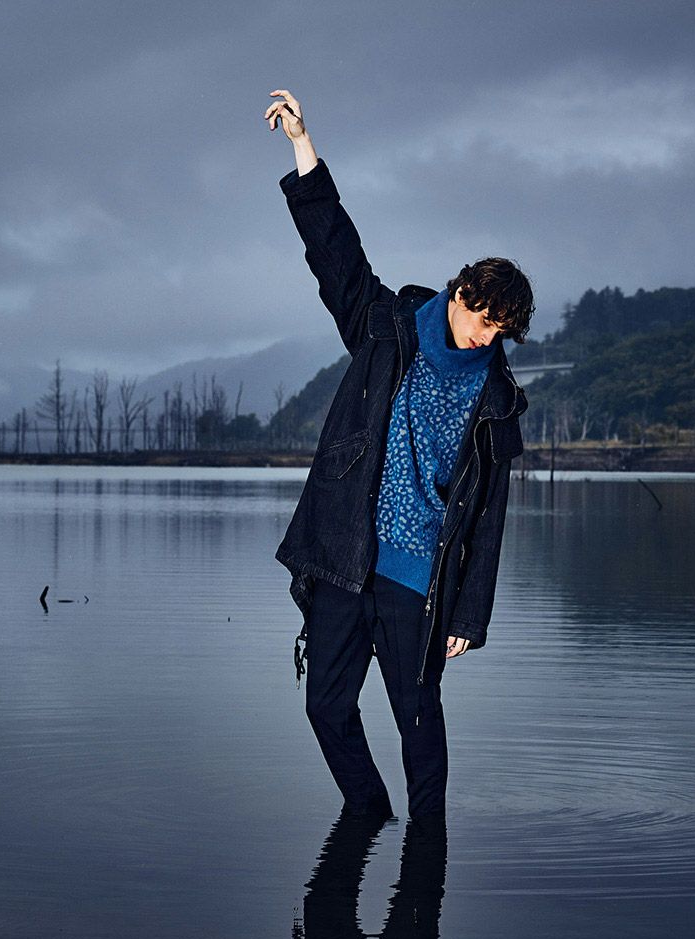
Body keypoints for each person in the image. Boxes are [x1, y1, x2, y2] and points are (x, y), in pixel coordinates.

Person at [265, 90, 533, 822]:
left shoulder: (499, 400)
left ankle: (427, 845)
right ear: (460, 293)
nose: (487, 336)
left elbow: (489, 517)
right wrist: (303, 147)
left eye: (501, 330)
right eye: (484, 318)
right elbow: (336, 255)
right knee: (326, 707)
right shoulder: (387, 326)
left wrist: (469, 613)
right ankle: (369, 816)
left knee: (419, 722)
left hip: (419, 578)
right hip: (345, 555)